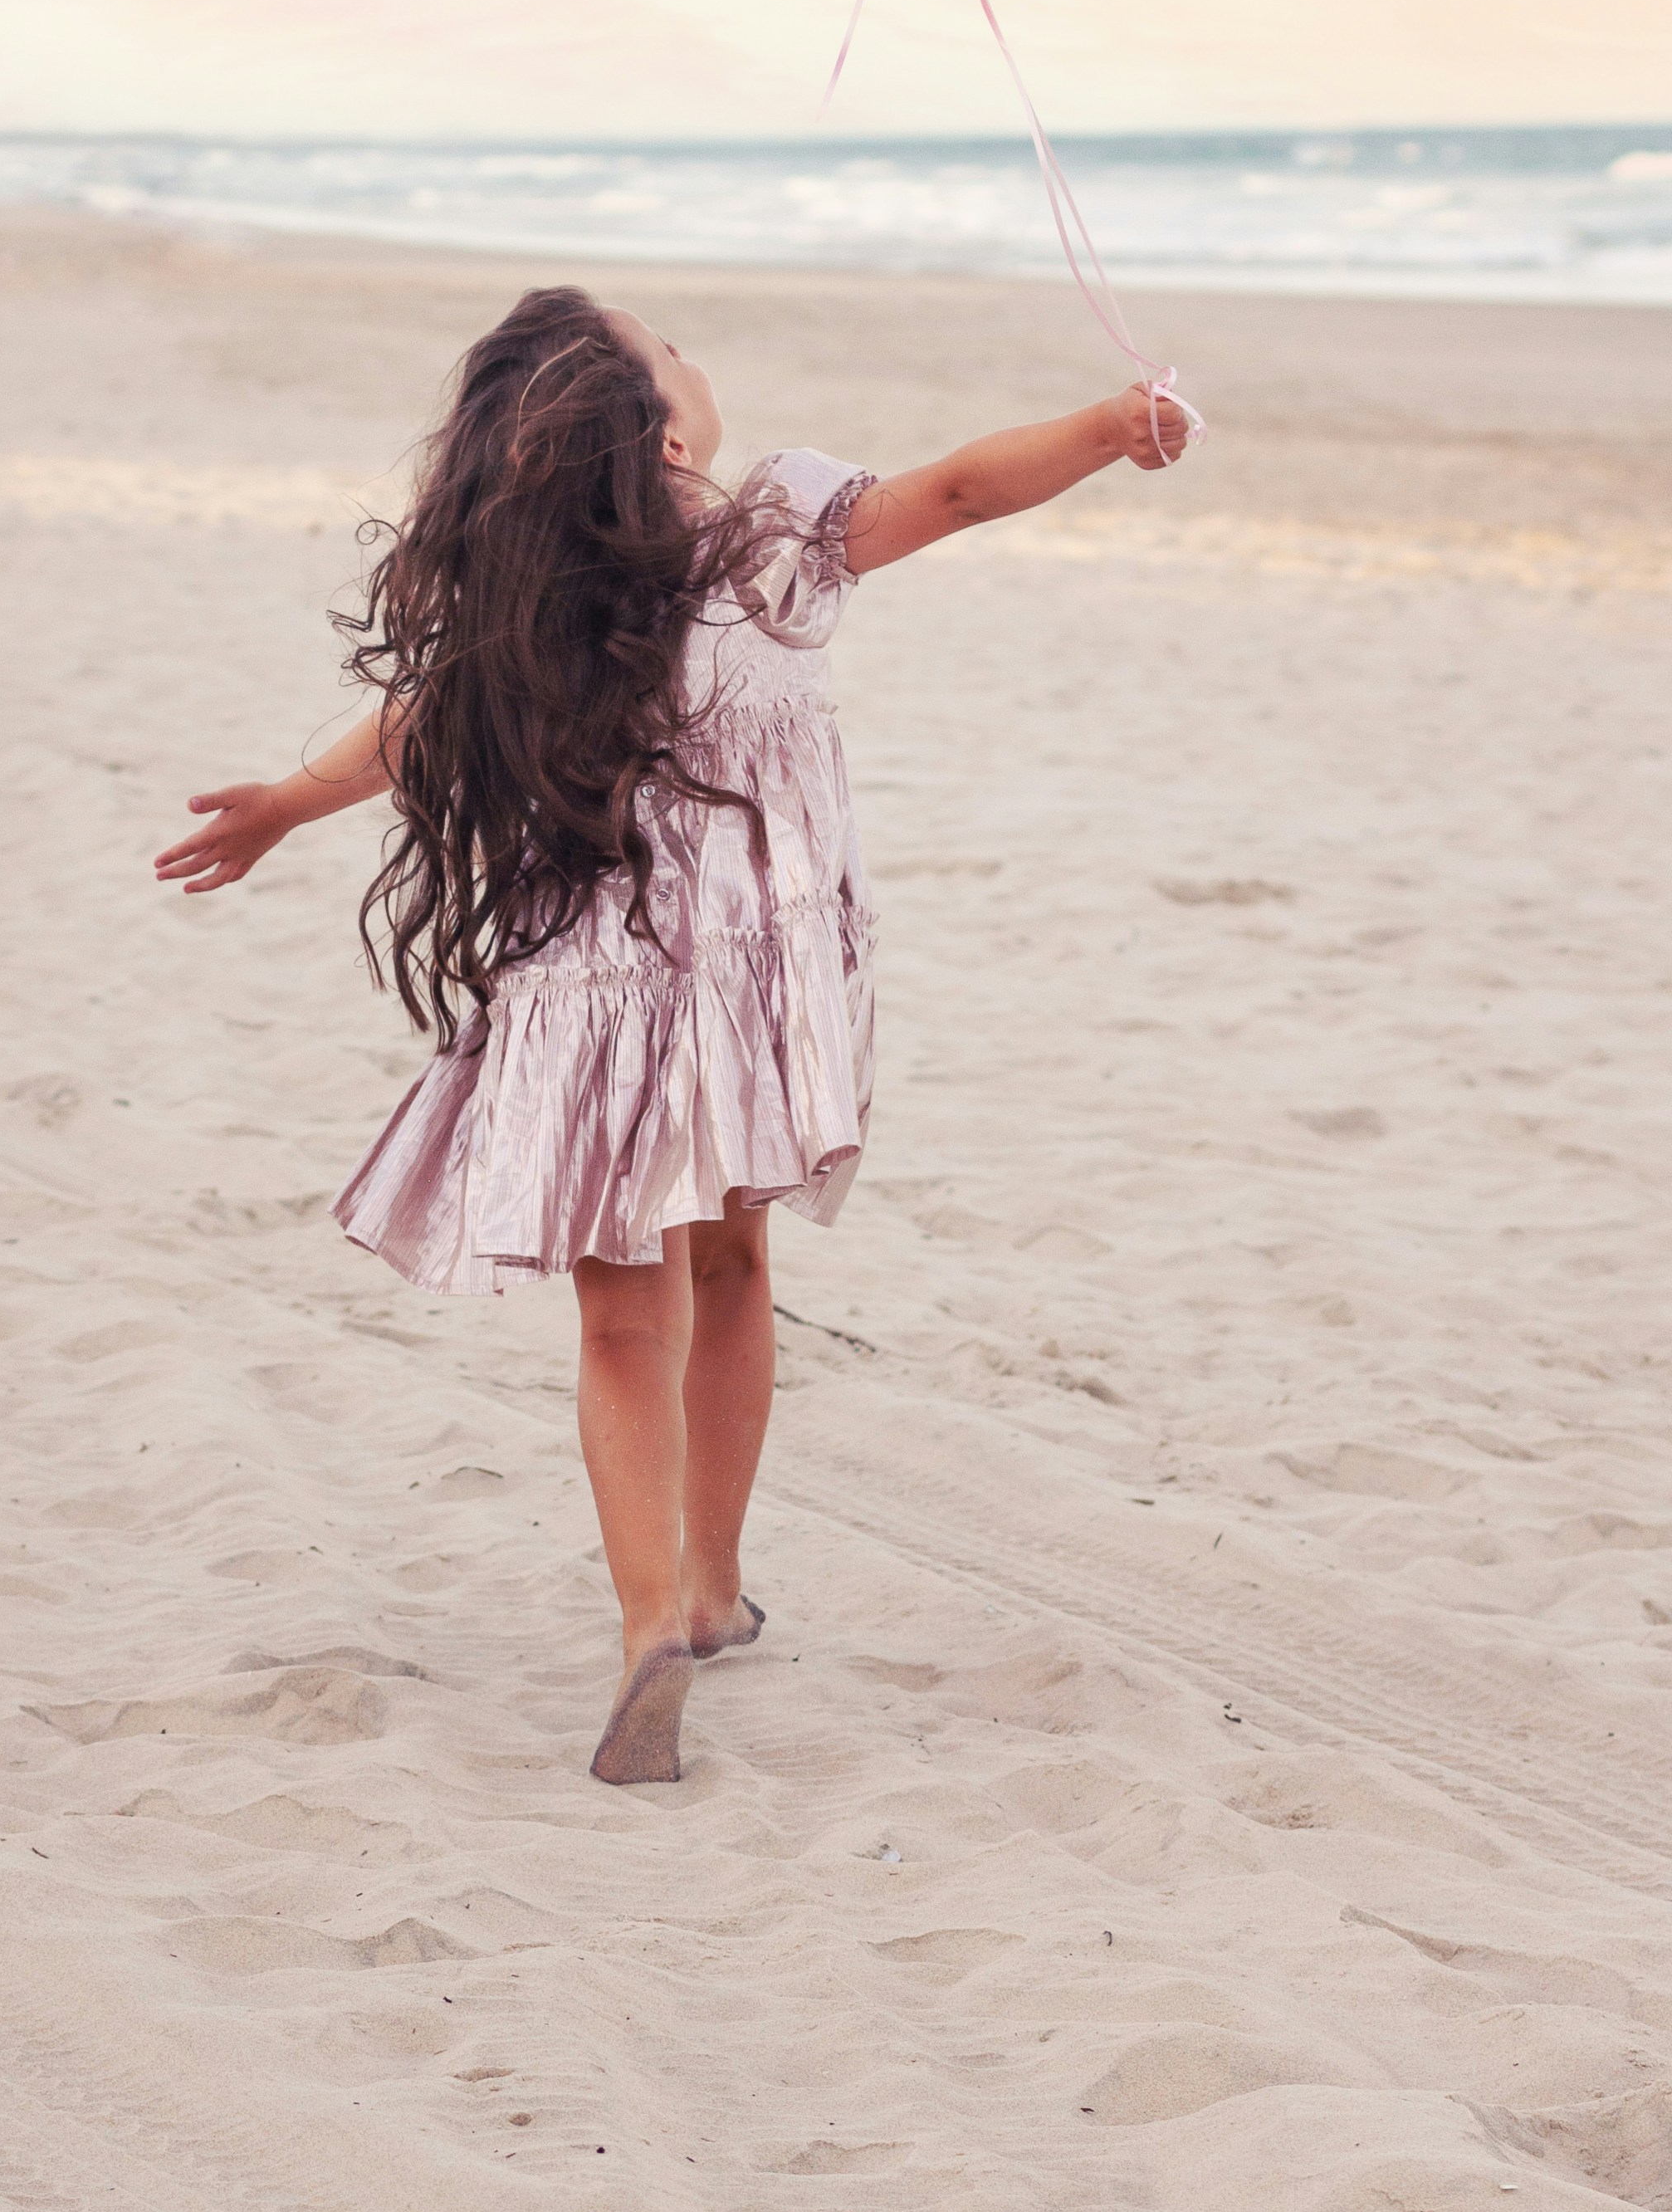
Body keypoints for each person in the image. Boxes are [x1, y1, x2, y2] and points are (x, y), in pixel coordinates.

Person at [155, 285, 1189, 1788]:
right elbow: (961, 489)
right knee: (734, 1265)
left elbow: (414, 730)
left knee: (620, 1320)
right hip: (743, 1006)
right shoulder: (771, 544)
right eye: (670, 348)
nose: (696, 358)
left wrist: (283, 806)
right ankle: (711, 1583)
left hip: (586, 1005)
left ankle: (648, 1622)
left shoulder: (540, 608)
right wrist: (1111, 429)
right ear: (660, 421)